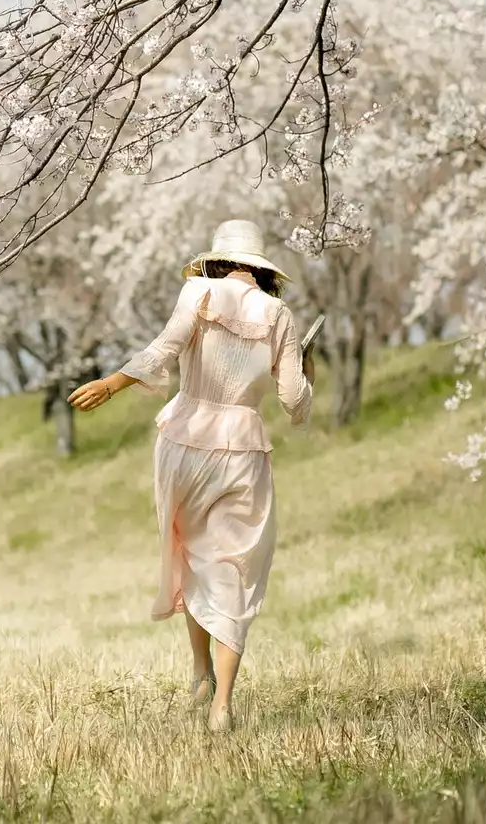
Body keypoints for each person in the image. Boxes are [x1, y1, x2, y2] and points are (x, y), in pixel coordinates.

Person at [67, 219, 315, 733]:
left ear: (217, 260)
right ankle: (222, 703)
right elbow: (293, 400)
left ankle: (199, 671)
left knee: (190, 551)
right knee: (233, 565)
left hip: (183, 440)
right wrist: (306, 378)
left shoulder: (197, 291)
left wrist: (112, 385)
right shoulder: (279, 314)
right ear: (262, 270)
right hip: (242, 447)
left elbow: (165, 347)